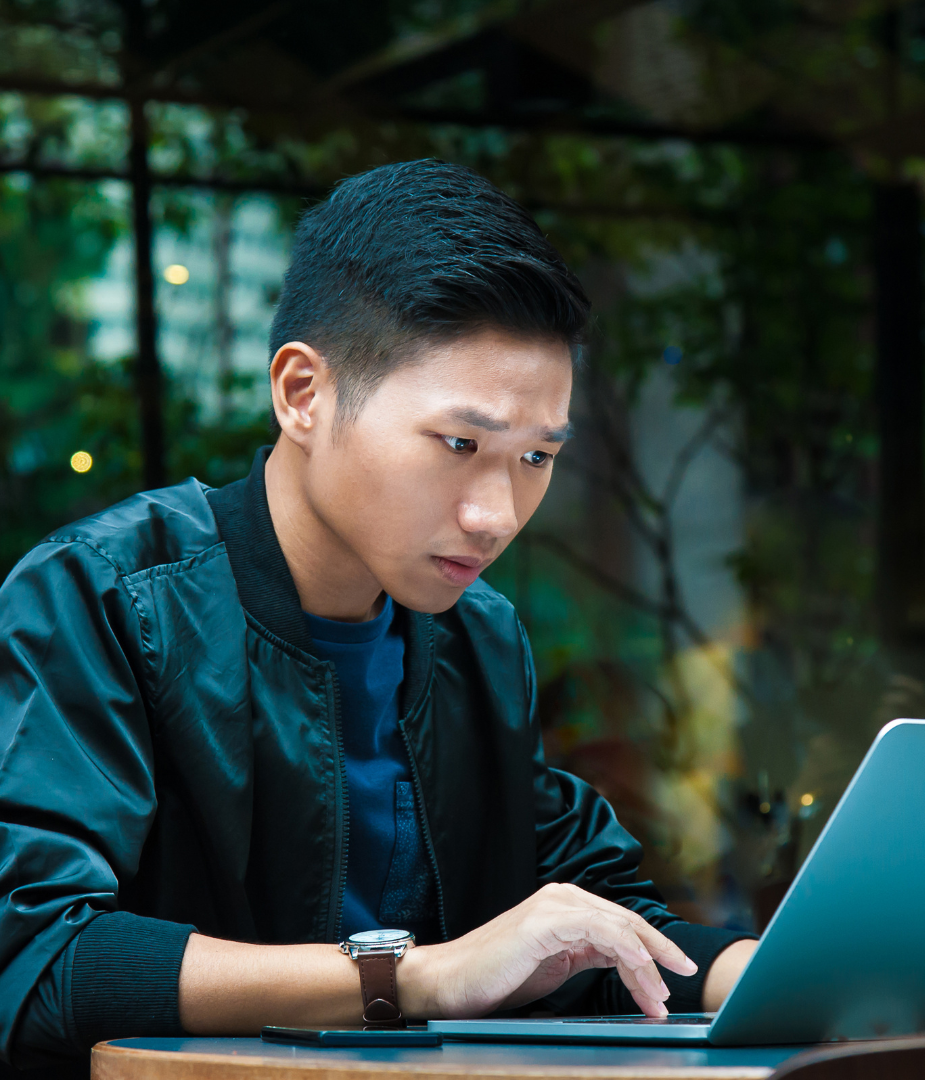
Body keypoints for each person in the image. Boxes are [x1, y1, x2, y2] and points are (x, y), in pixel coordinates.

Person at [0, 160, 756, 1074]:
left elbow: (591, 919)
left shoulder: (477, 638)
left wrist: (776, 975)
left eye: (535, 459)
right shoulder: (106, 598)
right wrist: (416, 977)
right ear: (304, 395)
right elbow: (41, 960)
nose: (497, 513)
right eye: (460, 445)